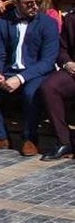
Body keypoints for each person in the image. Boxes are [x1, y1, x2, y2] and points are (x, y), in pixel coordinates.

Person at [0, 0, 60, 156]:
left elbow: (48, 61)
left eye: (37, 1)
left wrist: (20, 78)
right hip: (8, 72)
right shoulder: (4, 22)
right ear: (16, 3)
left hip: (35, 74)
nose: (35, 6)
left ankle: (30, 138)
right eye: (29, 3)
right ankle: (0, 136)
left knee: (31, 92)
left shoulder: (48, 23)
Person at [39, 10, 75, 160]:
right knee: (50, 86)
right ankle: (64, 141)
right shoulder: (71, 18)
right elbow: (62, 49)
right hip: (73, 71)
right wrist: (67, 62)